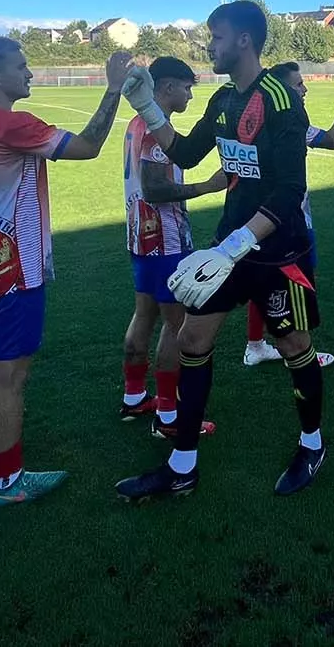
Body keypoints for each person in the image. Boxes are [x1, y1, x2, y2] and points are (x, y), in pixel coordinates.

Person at [115, 0, 324, 500]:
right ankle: (182, 465)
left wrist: (238, 243)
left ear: (245, 40)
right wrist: (146, 106)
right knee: (191, 342)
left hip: (276, 253)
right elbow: (185, 153)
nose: (209, 44)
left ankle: (312, 445)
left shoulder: (279, 98)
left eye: (217, 36)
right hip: (227, 249)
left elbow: (290, 188)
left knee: (296, 348)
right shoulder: (224, 99)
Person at [0, 37, 131, 506]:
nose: (30, 74)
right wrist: (113, 90)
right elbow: (86, 147)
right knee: (10, 375)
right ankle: (6, 481)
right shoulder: (13, 123)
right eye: (21, 67)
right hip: (13, 266)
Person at [120, 56, 228, 435]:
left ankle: (134, 397)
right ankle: (169, 416)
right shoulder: (154, 131)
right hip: (163, 239)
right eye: (187, 88)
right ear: (166, 88)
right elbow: (155, 188)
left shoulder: (136, 125)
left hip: (139, 235)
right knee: (175, 325)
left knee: (144, 314)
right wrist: (207, 187)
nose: (189, 96)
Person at [242, 61, 334, 367]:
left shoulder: (257, 123)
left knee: (262, 283)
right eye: (298, 84)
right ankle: (297, 351)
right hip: (288, 221)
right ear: (283, 89)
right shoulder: (290, 124)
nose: (305, 89)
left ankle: (256, 344)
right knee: (296, 286)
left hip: (258, 217)